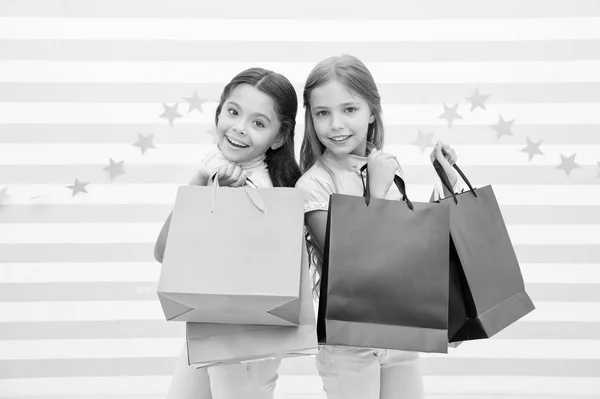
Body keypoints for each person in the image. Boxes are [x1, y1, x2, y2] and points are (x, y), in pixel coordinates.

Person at [295, 54, 460, 399]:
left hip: (399, 327)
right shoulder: (314, 185)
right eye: (322, 113)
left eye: (349, 109)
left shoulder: (383, 166)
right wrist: (378, 191)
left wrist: (446, 182)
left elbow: (407, 244)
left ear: (372, 111)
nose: (335, 124)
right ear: (310, 118)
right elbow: (349, 262)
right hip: (348, 339)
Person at [154, 67, 302, 399]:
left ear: (279, 137)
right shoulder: (217, 170)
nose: (239, 128)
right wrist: (199, 185)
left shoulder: (259, 190)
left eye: (258, 123)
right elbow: (164, 252)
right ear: (219, 111)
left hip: (245, 341)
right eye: (233, 112)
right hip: (210, 327)